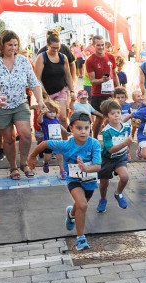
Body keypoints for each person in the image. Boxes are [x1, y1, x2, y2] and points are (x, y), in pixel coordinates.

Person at [27, 112, 101, 251]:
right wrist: (32, 156)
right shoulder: (66, 145)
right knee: (83, 205)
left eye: (86, 128)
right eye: (79, 128)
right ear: (71, 128)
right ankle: (80, 238)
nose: (83, 131)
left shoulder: (94, 144)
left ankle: (71, 214)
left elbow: (98, 166)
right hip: (73, 180)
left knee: (80, 205)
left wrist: (86, 168)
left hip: (89, 180)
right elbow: (44, 143)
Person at [0, 30, 47, 180]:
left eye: (15, 45)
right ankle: (13, 166)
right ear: (2, 45)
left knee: (26, 134)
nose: (13, 48)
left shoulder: (23, 61)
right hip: (2, 106)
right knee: (9, 139)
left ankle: (24, 162)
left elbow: (33, 82)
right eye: (9, 45)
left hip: (20, 103)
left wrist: (40, 101)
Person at [96, 99, 132, 213]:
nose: (116, 115)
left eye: (118, 112)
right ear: (107, 116)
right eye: (112, 113)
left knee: (125, 177)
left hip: (120, 158)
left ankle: (118, 193)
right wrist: (125, 144)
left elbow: (128, 140)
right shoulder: (107, 131)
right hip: (107, 159)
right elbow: (110, 149)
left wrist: (127, 149)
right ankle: (103, 199)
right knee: (103, 184)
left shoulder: (126, 127)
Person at [34, 33, 76, 130]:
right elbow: (37, 78)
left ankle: (65, 142)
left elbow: (68, 75)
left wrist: (72, 90)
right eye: (53, 48)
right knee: (48, 119)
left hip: (61, 90)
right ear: (48, 45)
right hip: (46, 92)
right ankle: (50, 142)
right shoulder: (42, 57)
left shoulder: (63, 57)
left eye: (58, 47)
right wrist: (43, 93)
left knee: (63, 118)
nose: (56, 50)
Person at [85, 35, 119, 139]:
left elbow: (114, 74)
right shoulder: (90, 61)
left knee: (112, 118)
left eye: (102, 45)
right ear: (93, 46)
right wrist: (102, 80)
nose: (101, 47)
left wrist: (118, 88)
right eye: (98, 45)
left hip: (111, 93)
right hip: (98, 94)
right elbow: (92, 81)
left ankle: (112, 140)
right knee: (99, 119)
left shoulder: (111, 57)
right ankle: (95, 140)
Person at [37, 99, 65, 178]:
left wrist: (66, 131)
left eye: (54, 112)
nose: (52, 114)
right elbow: (39, 120)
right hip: (48, 143)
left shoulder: (56, 119)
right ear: (45, 113)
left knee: (60, 157)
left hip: (58, 141)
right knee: (47, 158)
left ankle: (62, 171)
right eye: (50, 112)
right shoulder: (44, 120)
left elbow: (60, 126)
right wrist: (42, 113)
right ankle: (45, 163)